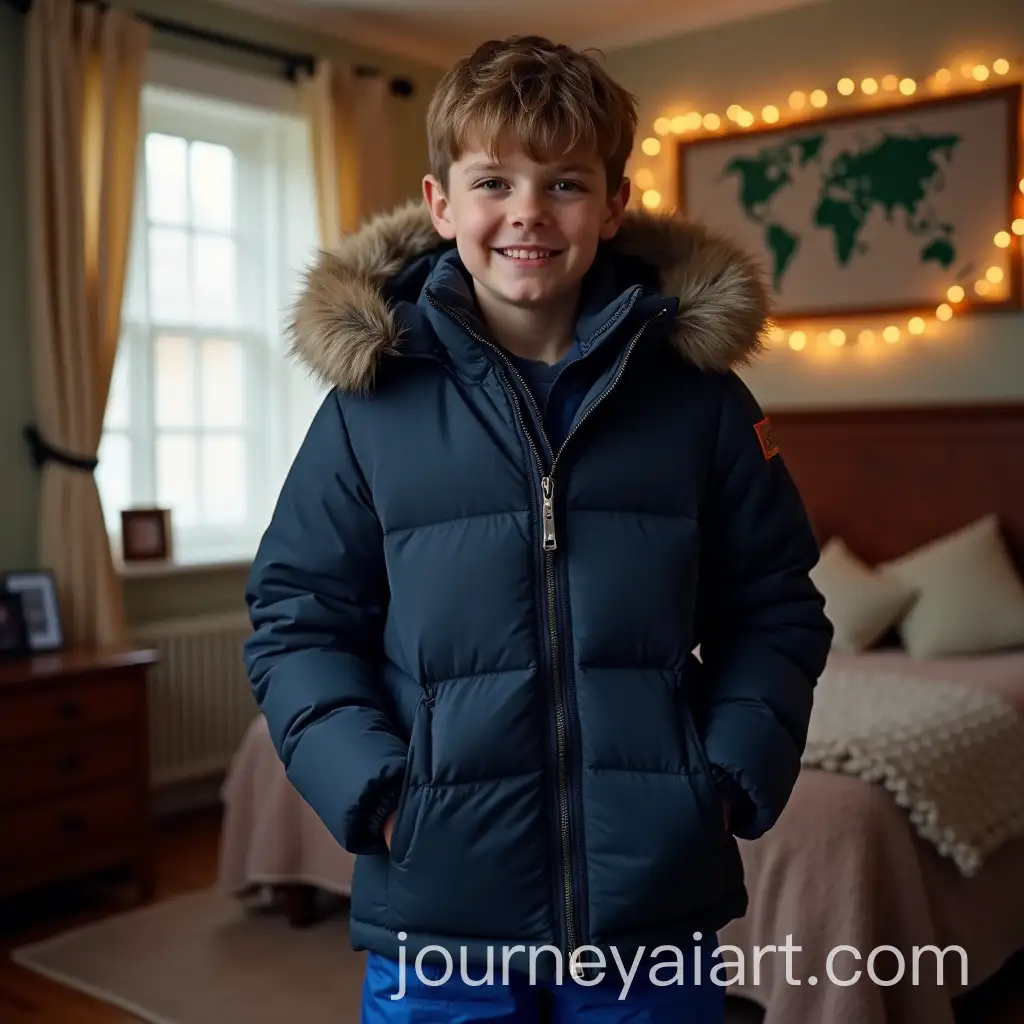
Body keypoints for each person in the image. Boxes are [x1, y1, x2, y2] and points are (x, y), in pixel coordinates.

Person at [243, 34, 833, 1024]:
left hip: (648, 915)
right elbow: (295, 619)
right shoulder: (368, 407)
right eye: (493, 181)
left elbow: (776, 608)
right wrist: (379, 793)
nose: (527, 210)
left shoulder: (702, 403)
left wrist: (725, 778)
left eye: (564, 182)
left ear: (613, 205)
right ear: (440, 205)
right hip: (436, 912)